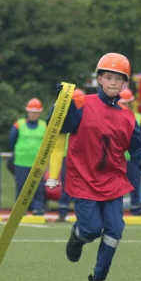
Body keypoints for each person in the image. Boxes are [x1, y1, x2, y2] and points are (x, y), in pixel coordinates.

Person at [46, 53, 141, 281]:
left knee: (115, 230)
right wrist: (60, 104)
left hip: (113, 181)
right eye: (108, 77)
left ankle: (98, 280)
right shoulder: (80, 104)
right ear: (99, 79)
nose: (113, 82)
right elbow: (55, 125)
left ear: (125, 84)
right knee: (90, 230)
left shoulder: (128, 117)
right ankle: (77, 236)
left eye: (118, 79)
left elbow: (137, 149)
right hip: (83, 178)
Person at [9, 98, 47, 215]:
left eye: (35, 112)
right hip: (21, 162)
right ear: (27, 112)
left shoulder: (44, 125)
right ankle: (20, 209)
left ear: (39, 113)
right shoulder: (18, 125)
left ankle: (38, 208)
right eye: (31, 112)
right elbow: (12, 141)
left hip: (38, 163)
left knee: (37, 188)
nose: (33, 114)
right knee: (21, 187)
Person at [56, 88, 86, 222]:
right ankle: (63, 211)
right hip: (68, 156)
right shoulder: (65, 117)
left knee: (83, 186)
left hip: (83, 157)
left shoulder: (88, 117)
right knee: (67, 184)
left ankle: (80, 213)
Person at [118, 89, 141, 215]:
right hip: (118, 158)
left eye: (126, 103)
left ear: (131, 103)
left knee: (135, 185)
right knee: (117, 187)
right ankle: (116, 211)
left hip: (134, 159)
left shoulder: (140, 119)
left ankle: (136, 210)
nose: (123, 105)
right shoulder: (113, 116)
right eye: (121, 103)